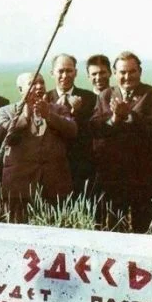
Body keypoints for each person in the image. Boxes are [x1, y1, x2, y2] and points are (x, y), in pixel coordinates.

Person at [91, 51, 152, 233]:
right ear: (114, 73)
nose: (127, 77)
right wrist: (115, 118)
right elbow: (95, 127)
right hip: (114, 176)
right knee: (116, 229)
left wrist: (129, 115)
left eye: (132, 71)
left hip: (145, 176)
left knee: (145, 229)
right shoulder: (105, 95)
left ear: (140, 71)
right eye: (122, 72)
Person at [0, 73, 77, 222]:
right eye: (32, 83)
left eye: (42, 83)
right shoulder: (6, 111)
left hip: (54, 186)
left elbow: (72, 130)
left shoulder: (59, 109)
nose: (39, 87)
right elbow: (1, 134)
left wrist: (49, 115)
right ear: (21, 89)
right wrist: (24, 118)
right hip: (19, 187)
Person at [46, 53, 97, 196]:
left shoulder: (90, 98)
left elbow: (93, 131)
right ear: (52, 73)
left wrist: (78, 113)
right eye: (60, 71)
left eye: (69, 71)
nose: (65, 75)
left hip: (80, 166)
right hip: (52, 166)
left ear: (76, 72)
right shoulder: (45, 99)